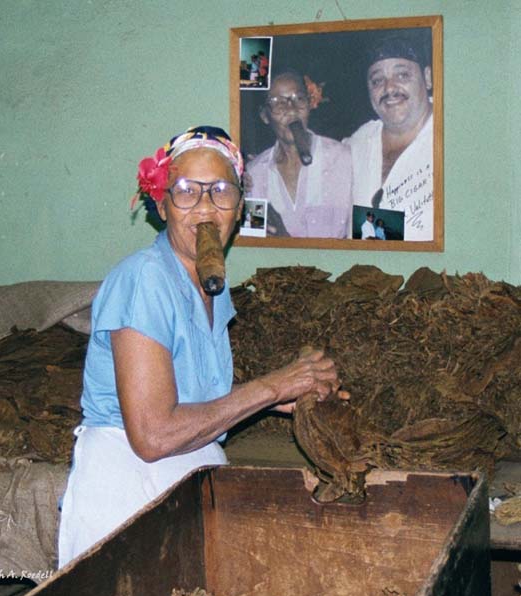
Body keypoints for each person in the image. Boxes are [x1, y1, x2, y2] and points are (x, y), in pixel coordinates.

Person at [57, 125, 349, 567]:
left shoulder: (209, 286)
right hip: (127, 488)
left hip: (186, 477)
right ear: (161, 204)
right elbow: (154, 435)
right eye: (187, 192)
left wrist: (282, 399)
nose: (206, 209)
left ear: (239, 208)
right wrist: (269, 387)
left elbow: (192, 397)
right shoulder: (144, 279)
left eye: (220, 192)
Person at [343, 33, 434, 241]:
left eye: (402, 75)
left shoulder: (455, 138)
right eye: (377, 80)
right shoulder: (358, 142)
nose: (389, 88)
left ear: (427, 77)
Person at [246, 71, 353, 238]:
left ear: (310, 104)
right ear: (264, 115)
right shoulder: (254, 174)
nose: (291, 109)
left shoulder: (343, 158)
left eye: (299, 99)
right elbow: (253, 239)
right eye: (278, 102)